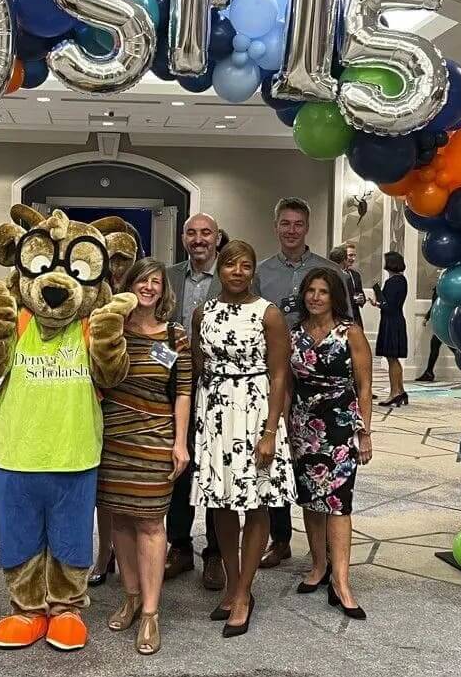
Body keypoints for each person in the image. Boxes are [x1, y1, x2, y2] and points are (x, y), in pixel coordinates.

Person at [191, 240, 296, 638]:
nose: (238, 271)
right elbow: (201, 366)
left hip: (255, 411)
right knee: (220, 503)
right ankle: (234, 585)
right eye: (231, 264)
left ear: (254, 271)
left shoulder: (267, 314)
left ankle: (245, 591)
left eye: (246, 265)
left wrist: (271, 431)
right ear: (220, 268)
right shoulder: (204, 313)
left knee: (256, 502)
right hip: (216, 413)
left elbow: (280, 375)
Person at [97, 258, 192, 655]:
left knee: (152, 523)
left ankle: (151, 613)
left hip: (155, 440)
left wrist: (180, 443)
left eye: (156, 282)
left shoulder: (175, 335)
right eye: (142, 280)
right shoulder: (110, 330)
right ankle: (131, 596)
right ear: (129, 284)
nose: (149, 287)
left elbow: (184, 390)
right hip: (113, 439)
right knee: (119, 517)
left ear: (163, 290)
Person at [253, 197, 347, 568]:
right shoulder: (261, 272)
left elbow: (345, 323)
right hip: (273, 376)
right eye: (285, 224)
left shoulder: (328, 270)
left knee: (319, 464)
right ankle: (280, 539)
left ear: (306, 228)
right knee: (276, 457)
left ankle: (323, 548)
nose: (291, 230)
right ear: (276, 226)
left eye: (298, 224)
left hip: (319, 384)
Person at [289, 268, 373, 619]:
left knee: (339, 503)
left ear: (334, 295)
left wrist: (365, 432)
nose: (316, 297)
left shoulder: (350, 332)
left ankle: (341, 580)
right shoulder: (293, 335)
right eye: (311, 290)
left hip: (340, 426)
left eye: (323, 291)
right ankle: (319, 566)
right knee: (311, 499)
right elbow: (286, 383)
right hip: (302, 426)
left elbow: (365, 385)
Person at [163, 213, 224, 590]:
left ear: (217, 238)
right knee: (179, 468)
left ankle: (215, 552)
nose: (198, 239)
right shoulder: (168, 277)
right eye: (191, 233)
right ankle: (180, 547)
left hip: (221, 390)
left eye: (205, 233)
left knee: (216, 468)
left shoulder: (236, 275)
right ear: (183, 237)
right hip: (175, 388)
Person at [91, 222, 143, 587]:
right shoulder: (92, 292)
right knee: (102, 486)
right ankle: (104, 553)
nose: (117, 266)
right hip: (97, 396)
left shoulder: (145, 295)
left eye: (124, 259)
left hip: (134, 399)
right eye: (112, 259)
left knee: (135, 485)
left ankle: (137, 556)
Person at [375, 251, 409, 407]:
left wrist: (378, 303)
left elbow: (389, 306)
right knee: (394, 358)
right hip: (397, 320)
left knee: (391, 358)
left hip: (391, 321)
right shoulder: (402, 280)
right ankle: (400, 391)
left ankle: (395, 392)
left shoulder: (393, 282)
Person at [328, 243, 366, 327]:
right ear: (343, 258)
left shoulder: (356, 275)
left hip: (355, 320)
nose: (353, 258)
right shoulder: (331, 275)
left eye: (354, 255)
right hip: (337, 320)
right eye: (350, 255)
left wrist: (361, 299)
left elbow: (360, 293)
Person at [416, 282, 447, 383]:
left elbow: (435, 305)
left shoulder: (441, 289)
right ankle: (429, 372)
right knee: (436, 345)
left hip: (443, 322)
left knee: (437, 345)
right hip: (443, 321)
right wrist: (427, 317)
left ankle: (429, 372)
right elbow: (435, 305)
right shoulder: (442, 289)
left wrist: (427, 317)